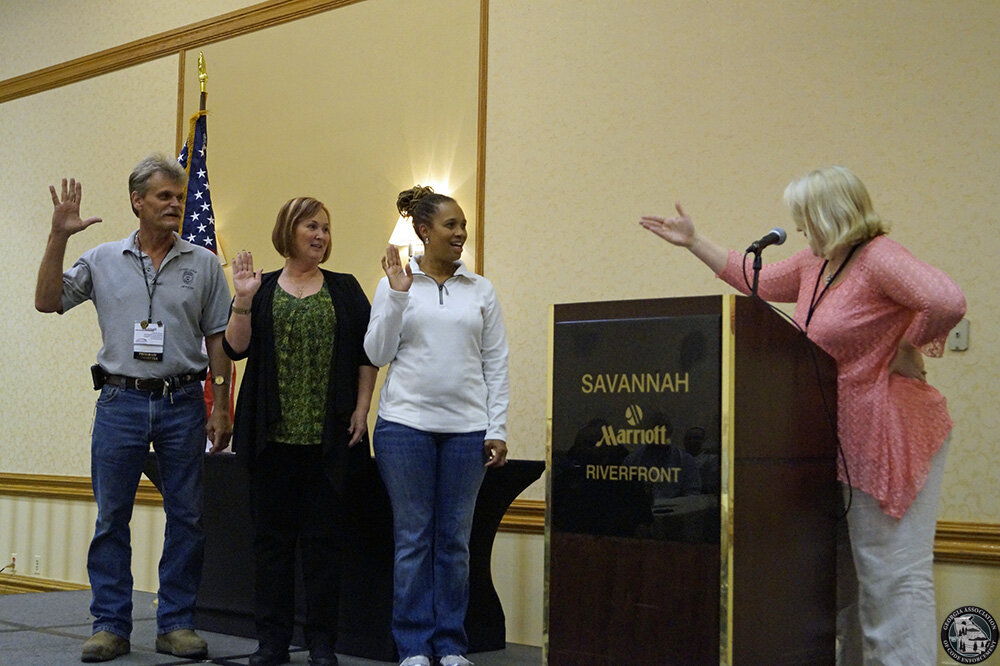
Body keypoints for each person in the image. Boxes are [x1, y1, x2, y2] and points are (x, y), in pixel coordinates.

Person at [639, 165, 966, 664]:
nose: (798, 226)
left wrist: (907, 345)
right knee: (847, 585)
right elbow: (754, 278)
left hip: (889, 433)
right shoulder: (818, 263)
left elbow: (945, 300)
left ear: (830, 213)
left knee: (892, 579)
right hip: (841, 440)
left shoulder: (878, 256)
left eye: (804, 215)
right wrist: (694, 241)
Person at [34, 155, 233, 663]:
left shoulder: (204, 264)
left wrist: (222, 405)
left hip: (183, 402)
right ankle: (110, 625)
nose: (175, 204)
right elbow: (47, 301)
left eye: (179, 197)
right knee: (111, 518)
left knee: (187, 517)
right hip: (119, 401)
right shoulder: (102, 259)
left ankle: (177, 623)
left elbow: (218, 339)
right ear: (136, 201)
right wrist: (58, 237)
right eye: (164, 196)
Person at [222, 197, 378, 666]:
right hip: (271, 443)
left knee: (324, 547)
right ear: (288, 230)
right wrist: (242, 300)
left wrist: (362, 408)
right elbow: (234, 348)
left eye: (325, 228)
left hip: (330, 442)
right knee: (272, 547)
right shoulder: (262, 287)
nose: (321, 236)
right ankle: (272, 642)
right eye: (312, 226)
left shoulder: (345, 289)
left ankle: (322, 643)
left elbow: (368, 354)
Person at [364, 186, 510, 666]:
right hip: (404, 428)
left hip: (467, 431)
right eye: (451, 225)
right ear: (424, 231)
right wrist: (397, 296)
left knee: (454, 543)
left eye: (463, 225)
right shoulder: (394, 284)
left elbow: (495, 363)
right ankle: (412, 646)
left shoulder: (480, 289)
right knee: (413, 540)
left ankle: (449, 644)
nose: (461, 233)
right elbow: (377, 353)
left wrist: (497, 427)